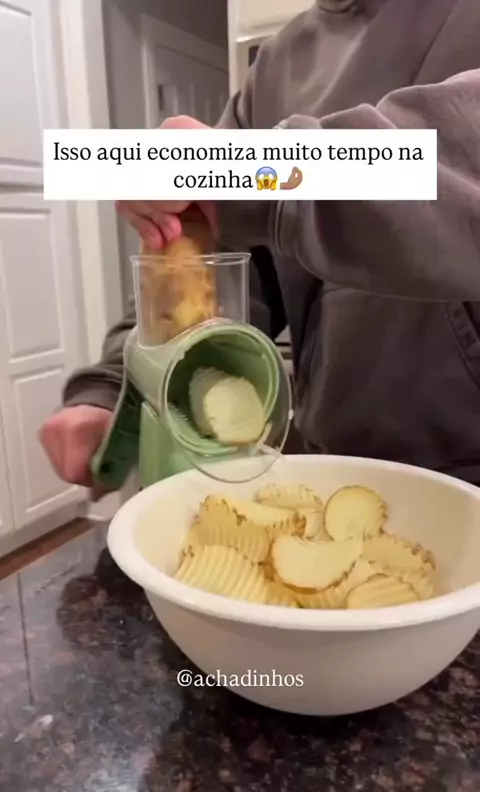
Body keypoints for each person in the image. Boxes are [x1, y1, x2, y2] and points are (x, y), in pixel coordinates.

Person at [40, 0, 480, 492]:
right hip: (327, 466)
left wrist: (244, 172)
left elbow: (460, 159)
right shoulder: (277, 62)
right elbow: (219, 259)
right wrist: (113, 383)